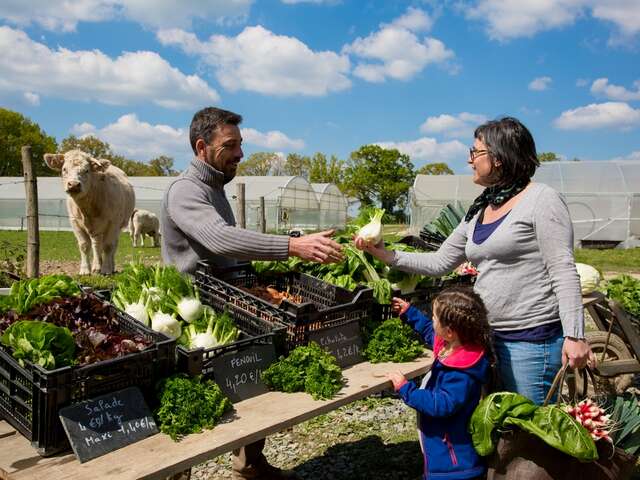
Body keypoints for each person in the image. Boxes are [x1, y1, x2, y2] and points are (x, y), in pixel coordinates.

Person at [357, 116, 594, 405]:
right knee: (496, 429)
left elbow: (563, 271)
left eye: (475, 152)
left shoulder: (542, 200)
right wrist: (386, 255)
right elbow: (440, 262)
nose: (470, 160)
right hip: (486, 339)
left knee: (533, 434)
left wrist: (575, 335)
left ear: (499, 158)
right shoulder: (481, 207)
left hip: (531, 343)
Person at [161, 107, 344, 480]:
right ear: (202, 147)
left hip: (225, 299)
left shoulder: (215, 189)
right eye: (231, 145)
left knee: (249, 378)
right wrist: (291, 248)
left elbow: (230, 244)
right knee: (193, 397)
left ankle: (250, 463)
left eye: (240, 144)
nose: (240, 154)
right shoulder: (185, 191)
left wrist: (289, 244)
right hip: (194, 309)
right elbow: (219, 237)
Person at [388, 287, 491, 480]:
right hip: (445, 452)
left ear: (450, 332)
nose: (432, 319)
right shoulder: (456, 345)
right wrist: (409, 313)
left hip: (455, 463)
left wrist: (406, 389)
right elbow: (430, 331)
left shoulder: (461, 372)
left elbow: (441, 405)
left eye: (434, 317)